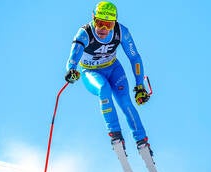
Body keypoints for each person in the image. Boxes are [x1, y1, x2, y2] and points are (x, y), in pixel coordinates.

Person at [64, 1, 153, 155]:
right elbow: (73, 58)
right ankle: (115, 135)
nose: (103, 29)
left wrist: (140, 86)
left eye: (108, 25)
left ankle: (142, 142)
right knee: (103, 89)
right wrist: (71, 71)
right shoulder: (84, 34)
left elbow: (135, 58)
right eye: (99, 23)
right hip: (91, 72)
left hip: (113, 69)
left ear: (114, 23)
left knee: (125, 101)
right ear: (93, 19)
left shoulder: (121, 32)